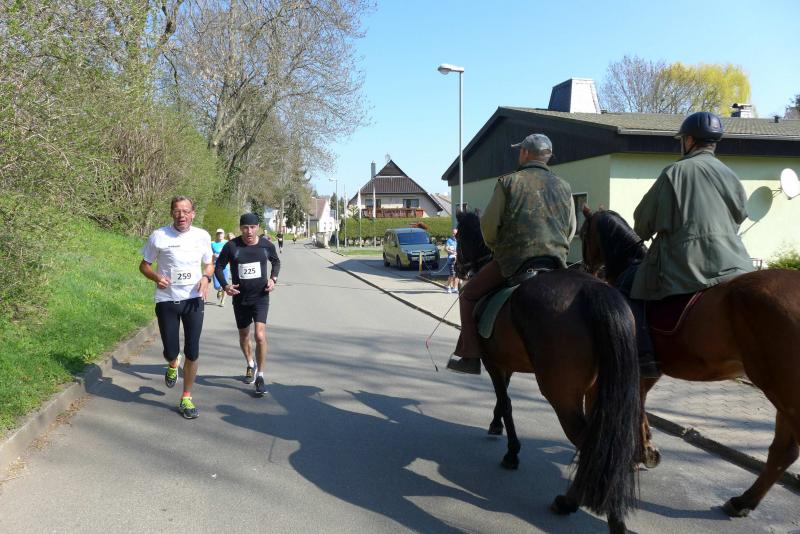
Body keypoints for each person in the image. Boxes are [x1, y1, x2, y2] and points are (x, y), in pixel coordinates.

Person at [619, 111, 754, 378]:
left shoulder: (675, 172)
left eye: (683, 139)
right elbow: (740, 215)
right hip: (736, 261)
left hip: (689, 262)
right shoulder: (730, 174)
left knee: (627, 287)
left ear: (689, 140)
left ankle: (643, 356)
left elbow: (643, 223)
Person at [447, 134, 576, 374]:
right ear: (547, 156)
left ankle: (470, 356)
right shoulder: (564, 186)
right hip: (555, 262)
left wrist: (496, 248)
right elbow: (571, 228)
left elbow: (488, 227)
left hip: (514, 261)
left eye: (520, 151)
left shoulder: (508, 182)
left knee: (467, 294)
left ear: (525, 153)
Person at [139, 196, 214, 419]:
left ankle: (186, 397)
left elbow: (209, 264)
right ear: (172, 213)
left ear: (193, 214)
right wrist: (156, 277)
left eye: (186, 211)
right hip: (167, 300)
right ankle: (173, 363)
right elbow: (144, 266)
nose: (182, 215)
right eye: (177, 211)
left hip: (193, 300)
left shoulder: (202, 236)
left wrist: (206, 278)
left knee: (192, 351)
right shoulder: (159, 236)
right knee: (171, 351)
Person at [215, 213, 281, 396]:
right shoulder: (232, 246)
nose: (249, 231)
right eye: (245, 228)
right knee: (244, 335)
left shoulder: (266, 245)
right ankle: (250, 364)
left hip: (261, 296)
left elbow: (276, 261)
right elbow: (219, 266)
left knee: (259, 335)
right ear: (240, 228)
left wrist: (273, 279)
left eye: (252, 227)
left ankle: (260, 375)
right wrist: (225, 285)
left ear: (257, 227)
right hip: (240, 298)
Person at [211, 229, 230, 307]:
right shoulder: (212, 243)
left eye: (221, 233)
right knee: (216, 285)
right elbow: (209, 254)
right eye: (218, 234)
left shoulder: (227, 243)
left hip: (225, 266)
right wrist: (213, 255)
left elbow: (231, 253)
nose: (220, 235)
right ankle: (219, 289)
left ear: (224, 234)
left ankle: (223, 301)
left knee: (225, 284)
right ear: (216, 235)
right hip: (216, 266)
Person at [445, 228, 459, 293]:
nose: (454, 235)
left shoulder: (459, 240)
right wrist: (451, 252)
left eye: (455, 233)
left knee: (457, 275)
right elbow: (446, 249)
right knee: (452, 274)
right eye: (453, 233)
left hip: (458, 260)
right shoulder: (449, 240)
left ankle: (455, 288)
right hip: (451, 259)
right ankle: (448, 287)